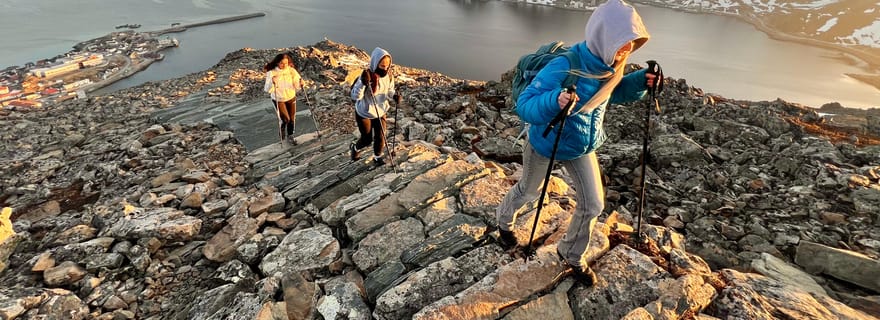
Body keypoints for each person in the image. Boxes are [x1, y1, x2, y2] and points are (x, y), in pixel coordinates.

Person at [495, 0, 660, 286]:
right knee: (528, 191)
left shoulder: (611, 66)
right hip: (546, 142)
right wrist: (555, 100)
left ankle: (571, 253)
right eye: (621, 43)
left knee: (593, 204)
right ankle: (503, 222)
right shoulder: (565, 66)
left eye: (631, 44)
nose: (626, 50)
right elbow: (525, 105)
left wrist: (639, 82)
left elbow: (612, 93)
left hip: (581, 146)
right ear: (603, 37)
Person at [350, 47, 401, 165]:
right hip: (364, 113)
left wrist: (394, 96)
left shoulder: (389, 76)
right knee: (367, 139)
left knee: (381, 136)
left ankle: (377, 157)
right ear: (375, 63)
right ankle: (355, 148)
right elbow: (356, 97)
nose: (385, 69)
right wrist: (363, 83)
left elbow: (389, 90)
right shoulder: (365, 76)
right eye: (382, 66)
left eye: (387, 66)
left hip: (380, 111)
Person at [264, 53, 305, 143]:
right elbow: (267, 89)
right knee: (286, 119)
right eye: (282, 63)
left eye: (286, 63)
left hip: (291, 97)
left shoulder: (291, 71)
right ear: (277, 62)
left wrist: (301, 83)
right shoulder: (271, 73)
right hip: (278, 99)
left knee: (292, 118)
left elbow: (297, 86)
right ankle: (282, 129)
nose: (284, 65)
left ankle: (290, 136)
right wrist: (272, 82)